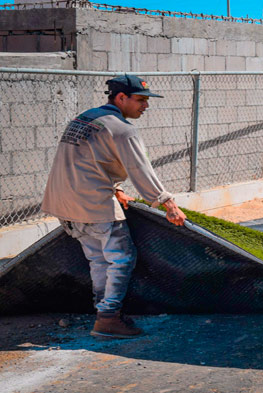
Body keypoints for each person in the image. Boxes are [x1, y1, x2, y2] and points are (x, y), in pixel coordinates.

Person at [41, 75, 187, 339]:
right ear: (121, 98)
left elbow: (87, 159)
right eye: (140, 100)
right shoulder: (123, 129)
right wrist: (168, 204)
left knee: (99, 260)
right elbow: (141, 170)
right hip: (94, 204)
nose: (146, 106)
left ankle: (104, 313)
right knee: (121, 258)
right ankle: (109, 318)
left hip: (64, 204)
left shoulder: (85, 119)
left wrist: (117, 189)